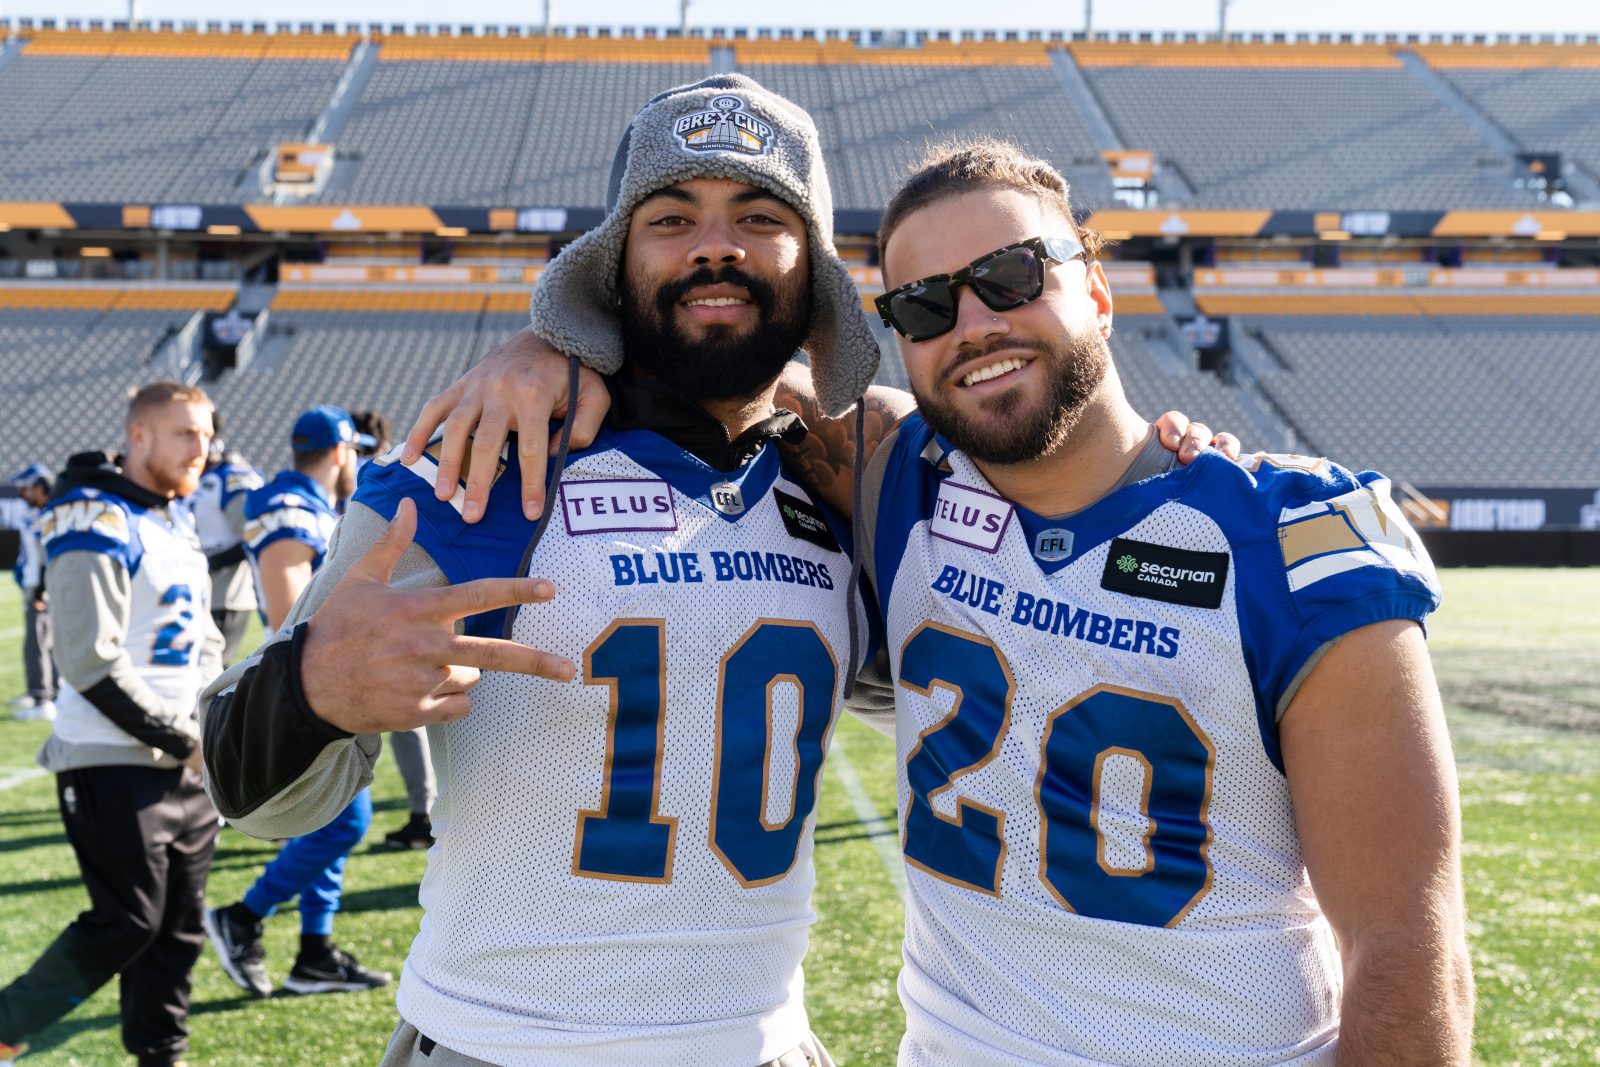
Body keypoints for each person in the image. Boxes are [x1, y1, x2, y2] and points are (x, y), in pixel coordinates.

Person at [198, 78, 1216, 1065]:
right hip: (504, 1042)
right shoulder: (491, 456)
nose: (715, 245)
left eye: (759, 216)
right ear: (616, 262)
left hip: (763, 1040)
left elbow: (1029, 581)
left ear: (811, 268)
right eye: (672, 218)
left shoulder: (846, 477)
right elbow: (253, 793)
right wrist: (307, 691)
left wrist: (1172, 461)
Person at [402, 143, 1473, 1063]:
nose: (973, 324)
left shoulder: (1286, 537)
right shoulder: (899, 478)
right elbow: (709, 365)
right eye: (923, 305)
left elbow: (1407, 945)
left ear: (1096, 290)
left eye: (1010, 275)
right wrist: (545, 347)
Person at [0, 383, 223, 1067]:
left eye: (207, 433)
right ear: (139, 437)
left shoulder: (172, 519)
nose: (202, 448)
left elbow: (205, 638)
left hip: (186, 760)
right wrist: (185, 740)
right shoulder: (95, 516)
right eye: (185, 433)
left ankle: (161, 1056)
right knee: (126, 922)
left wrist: (212, 722)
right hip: (111, 755)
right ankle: (6, 1026)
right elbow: (89, 660)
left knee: (178, 931)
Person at [203, 404, 391, 999]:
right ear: (340, 451)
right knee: (346, 818)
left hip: (313, 677)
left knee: (331, 814)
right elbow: (292, 614)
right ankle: (243, 916)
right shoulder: (291, 506)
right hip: (304, 683)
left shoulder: (308, 502)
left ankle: (314, 951)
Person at [351, 408, 439, 852]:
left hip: (384, 604)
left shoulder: (380, 475)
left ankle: (423, 814)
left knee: (407, 716)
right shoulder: (395, 468)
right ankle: (423, 813)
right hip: (398, 599)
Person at [189, 419, 263, 664]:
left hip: (225, 596)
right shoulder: (194, 479)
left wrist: (208, 563)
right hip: (196, 592)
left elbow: (252, 537)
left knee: (211, 670)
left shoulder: (230, 477)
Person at [8, 463, 56, 721]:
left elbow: (47, 558)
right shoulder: (36, 513)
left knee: (39, 642)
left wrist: (40, 591)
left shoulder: (50, 514)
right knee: (41, 640)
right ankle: (42, 693)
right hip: (38, 584)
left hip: (42, 586)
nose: (22, 493)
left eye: (26, 488)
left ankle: (42, 697)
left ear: (40, 487)